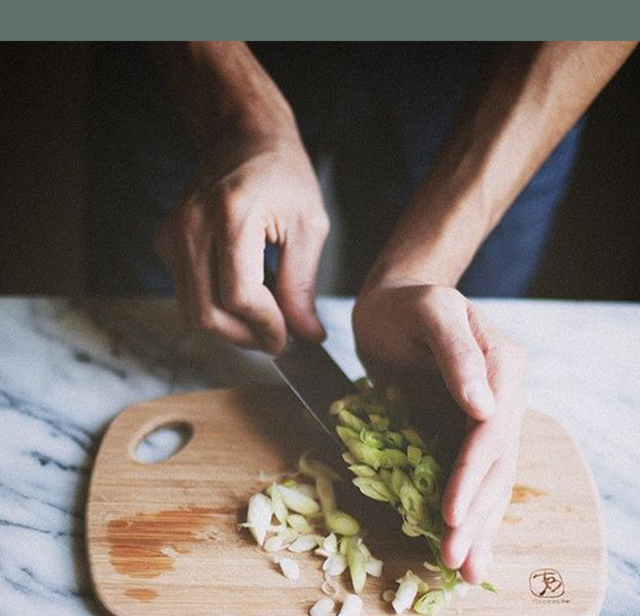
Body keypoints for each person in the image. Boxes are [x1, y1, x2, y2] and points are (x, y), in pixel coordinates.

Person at [86, 41, 636, 584]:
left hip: (498, 71)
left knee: (461, 356)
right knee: (159, 311)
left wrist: (422, 269)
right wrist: (235, 111)